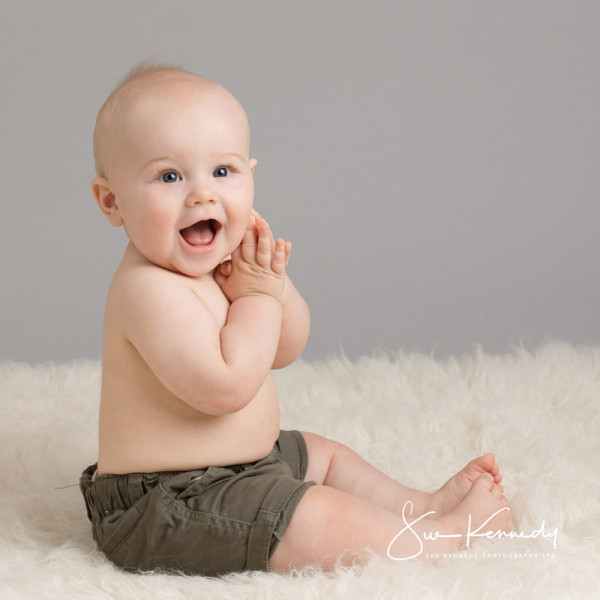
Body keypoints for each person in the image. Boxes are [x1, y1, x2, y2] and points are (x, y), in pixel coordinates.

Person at [80, 63, 510, 576]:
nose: (203, 195)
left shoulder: (224, 262)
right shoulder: (147, 289)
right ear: (112, 201)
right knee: (316, 514)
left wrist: (272, 286)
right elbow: (225, 388)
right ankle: (440, 539)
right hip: (166, 504)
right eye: (170, 176)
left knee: (322, 456)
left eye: (223, 171)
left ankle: (420, 506)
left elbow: (284, 347)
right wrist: (257, 296)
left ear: (250, 173)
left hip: (241, 470)